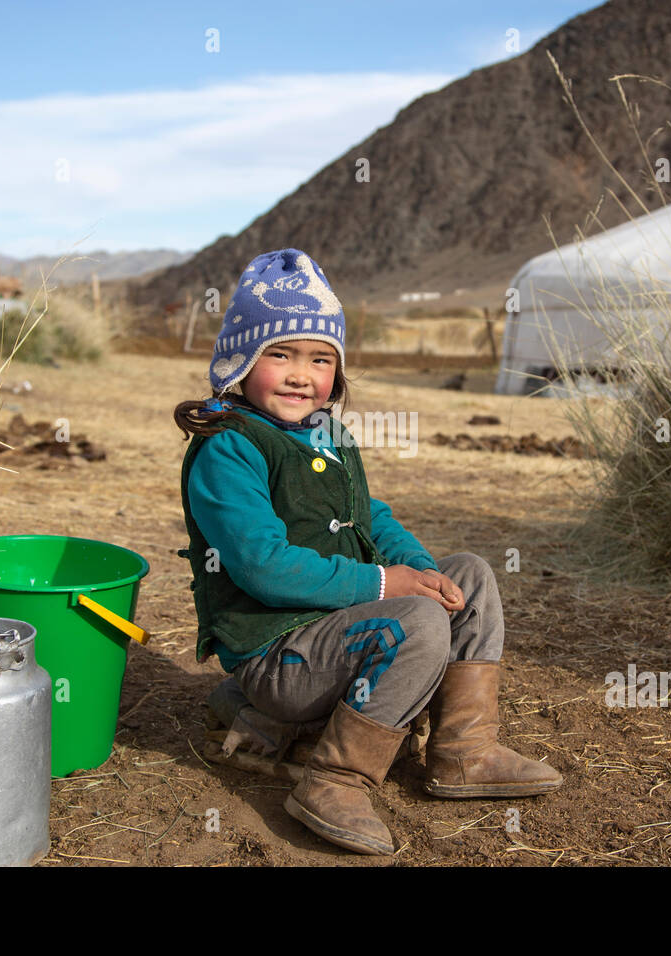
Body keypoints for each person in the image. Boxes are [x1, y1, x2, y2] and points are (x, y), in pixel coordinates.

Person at [173, 248, 561, 856]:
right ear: (239, 361)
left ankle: (463, 750)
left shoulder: (325, 433)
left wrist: (423, 572)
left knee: (471, 575)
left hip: (333, 628)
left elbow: (369, 516)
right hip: (282, 653)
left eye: (320, 359)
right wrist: (387, 586)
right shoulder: (231, 449)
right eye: (280, 354)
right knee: (416, 620)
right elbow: (261, 565)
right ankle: (335, 780)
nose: (302, 374)